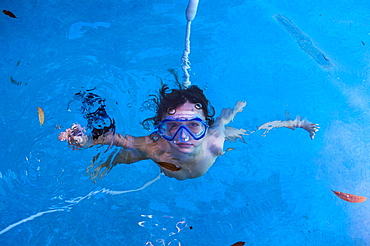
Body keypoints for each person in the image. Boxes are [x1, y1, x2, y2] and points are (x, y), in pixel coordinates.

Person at [58, 84, 319, 180]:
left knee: (231, 127)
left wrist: (295, 123)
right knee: (123, 154)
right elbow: (116, 138)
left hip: (214, 130)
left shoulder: (215, 141)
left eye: (194, 126)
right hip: (159, 160)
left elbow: (260, 130)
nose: (183, 137)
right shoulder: (155, 145)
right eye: (172, 127)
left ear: (205, 127)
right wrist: (85, 141)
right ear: (159, 129)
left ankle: (227, 115)